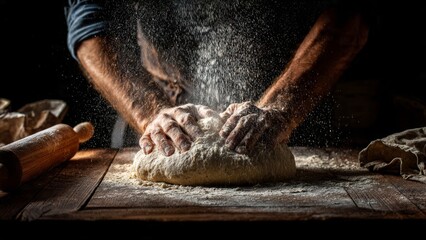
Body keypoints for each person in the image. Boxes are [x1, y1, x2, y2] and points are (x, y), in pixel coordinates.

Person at [65, 0, 370, 156]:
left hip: (290, 119)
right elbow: (88, 26)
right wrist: (150, 114)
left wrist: (280, 109)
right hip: (160, 118)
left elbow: (347, 14)